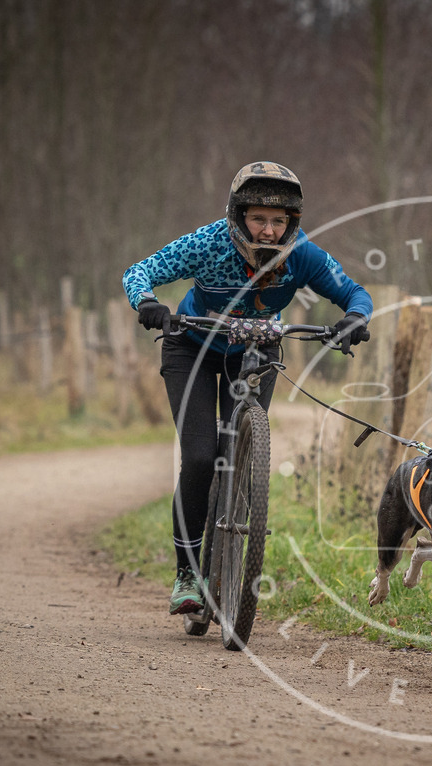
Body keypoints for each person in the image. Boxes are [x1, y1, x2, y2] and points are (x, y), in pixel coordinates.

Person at [122, 161, 372, 615]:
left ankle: (234, 532)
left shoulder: (302, 255)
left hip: (255, 351)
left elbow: (355, 292)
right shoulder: (207, 242)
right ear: (238, 216)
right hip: (191, 348)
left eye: (280, 221)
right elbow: (139, 271)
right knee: (200, 456)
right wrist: (149, 303)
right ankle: (186, 573)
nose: (270, 231)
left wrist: (354, 318)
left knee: (234, 451)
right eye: (259, 218)